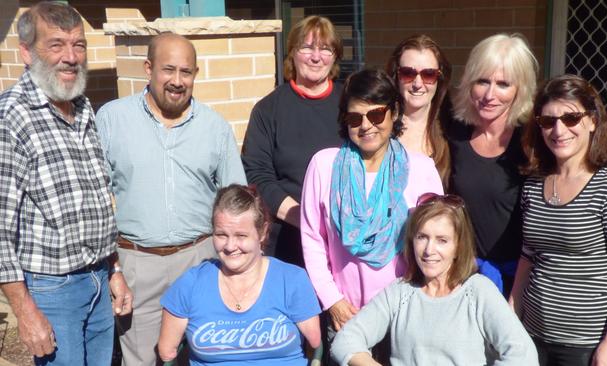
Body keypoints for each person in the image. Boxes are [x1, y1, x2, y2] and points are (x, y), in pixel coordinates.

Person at [95, 33, 246, 365]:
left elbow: (238, 201)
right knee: (143, 359)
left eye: (186, 72)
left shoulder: (215, 127)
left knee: (208, 356)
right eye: (169, 70)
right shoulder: (111, 119)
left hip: (201, 261)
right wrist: (113, 267)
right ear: (148, 69)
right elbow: (95, 197)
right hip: (137, 264)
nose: (178, 81)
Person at [0, 2, 131, 365]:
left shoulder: (83, 106)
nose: (71, 57)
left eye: (79, 45)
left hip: (98, 278)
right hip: (52, 289)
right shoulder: (12, 116)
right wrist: (25, 311)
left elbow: (97, 200)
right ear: (26, 52)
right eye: (56, 45)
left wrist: (114, 270)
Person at [509, 74, 607, 366]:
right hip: (530, 336)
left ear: (592, 121)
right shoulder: (534, 184)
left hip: (583, 345)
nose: (559, 130)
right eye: (548, 121)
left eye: (571, 118)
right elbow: (528, 256)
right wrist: (511, 315)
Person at [301, 69, 443, 343]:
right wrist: (333, 302)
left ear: (394, 112)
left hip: (406, 313)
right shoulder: (324, 166)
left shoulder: (421, 169)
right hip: (347, 315)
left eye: (376, 115)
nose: (366, 125)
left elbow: (436, 244)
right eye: (355, 118)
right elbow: (312, 240)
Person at [331, 193, 538, 365]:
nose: (429, 250)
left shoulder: (478, 291)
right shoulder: (400, 292)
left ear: (458, 246)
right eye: (422, 237)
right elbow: (345, 341)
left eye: (442, 240)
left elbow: (523, 356)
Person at [158, 184, 321, 365]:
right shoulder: (190, 284)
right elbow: (167, 352)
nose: (229, 246)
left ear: (262, 232)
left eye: (241, 236)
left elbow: (315, 342)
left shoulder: (292, 280)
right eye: (221, 235)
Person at [241, 15, 344, 267]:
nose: (316, 57)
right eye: (307, 47)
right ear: (292, 53)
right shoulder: (269, 109)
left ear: (334, 56)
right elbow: (258, 175)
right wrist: (304, 218)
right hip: (288, 237)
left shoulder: (350, 103)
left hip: (346, 238)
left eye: (325, 49)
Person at [448, 33, 538, 295]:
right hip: (463, 276)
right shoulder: (454, 134)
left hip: (518, 283)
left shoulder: (532, 143)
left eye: (503, 84)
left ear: (520, 88)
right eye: (482, 81)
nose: (490, 94)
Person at [386, 34, 453, 188]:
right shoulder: (380, 125)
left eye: (428, 74)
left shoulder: (452, 131)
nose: (417, 83)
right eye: (408, 73)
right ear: (396, 75)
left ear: (439, 78)